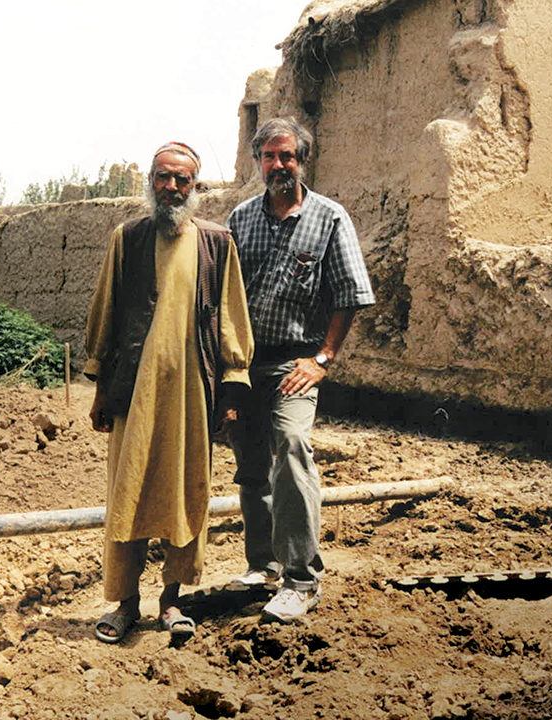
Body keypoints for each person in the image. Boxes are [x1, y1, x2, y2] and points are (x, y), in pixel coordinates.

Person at [84, 141, 254, 644]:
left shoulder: (216, 244)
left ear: (195, 187)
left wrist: (231, 388)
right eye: (164, 177)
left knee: (187, 494)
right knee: (128, 492)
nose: (173, 187)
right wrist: (98, 390)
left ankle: (173, 602)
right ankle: (125, 604)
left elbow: (231, 318)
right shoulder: (127, 238)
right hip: (133, 394)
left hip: (192, 395)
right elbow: (106, 314)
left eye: (183, 180)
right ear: (151, 181)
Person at [226, 118, 375, 622]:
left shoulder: (330, 218)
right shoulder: (240, 219)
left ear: (302, 160)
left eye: (287, 156)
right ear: (258, 161)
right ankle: (262, 564)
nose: (278, 165)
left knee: (291, 448)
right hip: (245, 364)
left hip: (296, 361)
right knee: (249, 465)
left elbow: (349, 296)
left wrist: (322, 359)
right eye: (269, 156)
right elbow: (225, 296)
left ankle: (300, 579)